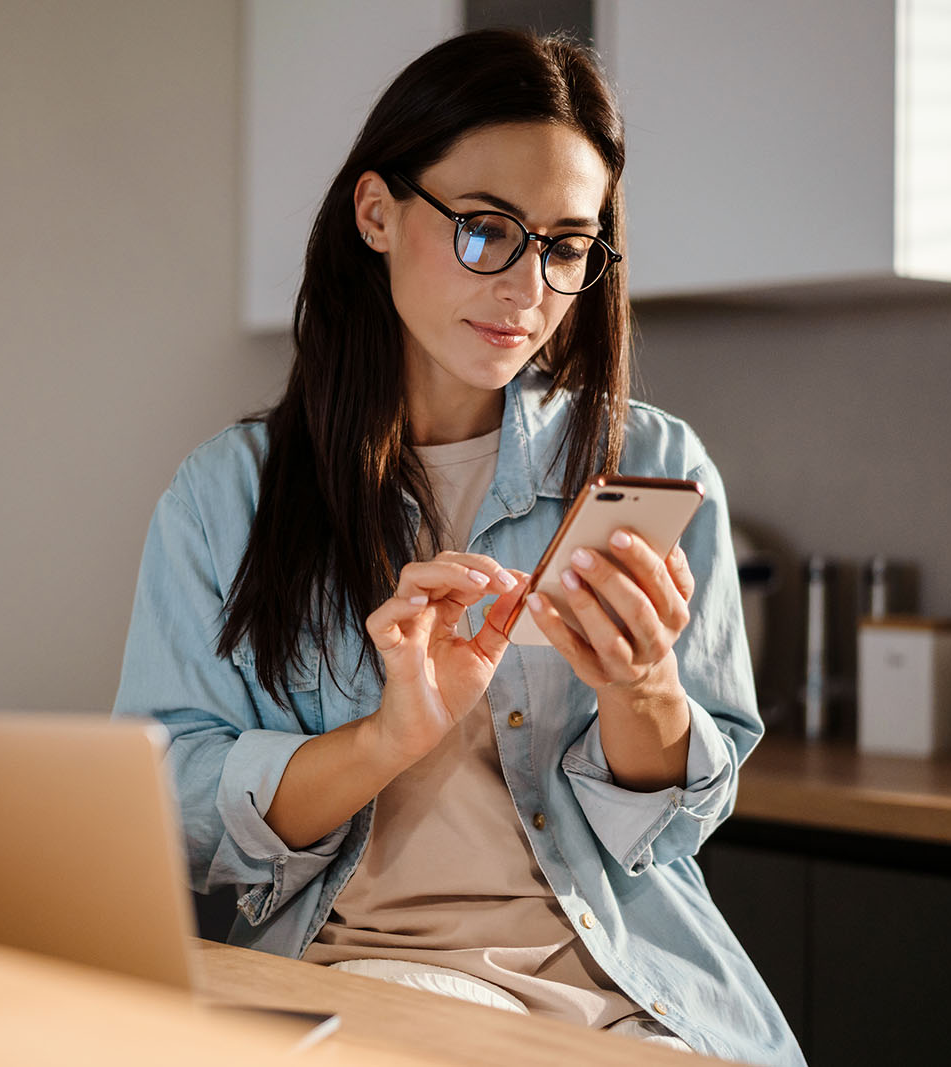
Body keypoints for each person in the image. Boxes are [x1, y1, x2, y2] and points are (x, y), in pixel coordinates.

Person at [112, 28, 802, 1067]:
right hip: (373, 968)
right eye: (487, 229)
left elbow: (667, 836)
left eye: (567, 244)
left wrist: (645, 686)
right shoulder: (227, 495)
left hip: (626, 978)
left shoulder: (656, 461)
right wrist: (386, 738)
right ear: (376, 213)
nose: (529, 287)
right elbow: (172, 808)